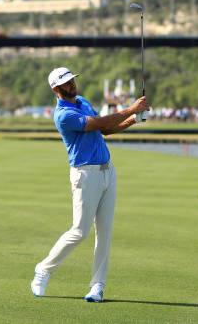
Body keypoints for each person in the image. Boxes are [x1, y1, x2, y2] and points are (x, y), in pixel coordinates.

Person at [31, 67, 150, 303]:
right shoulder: (63, 115)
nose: (71, 85)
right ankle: (44, 269)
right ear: (56, 89)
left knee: (104, 234)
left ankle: (97, 286)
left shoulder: (82, 101)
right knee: (79, 231)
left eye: (72, 80)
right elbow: (98, 122)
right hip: (85, 175)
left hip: (108, 171)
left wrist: (134, 119)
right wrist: (131, 108)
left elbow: (106, 129)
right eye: (66, 83)